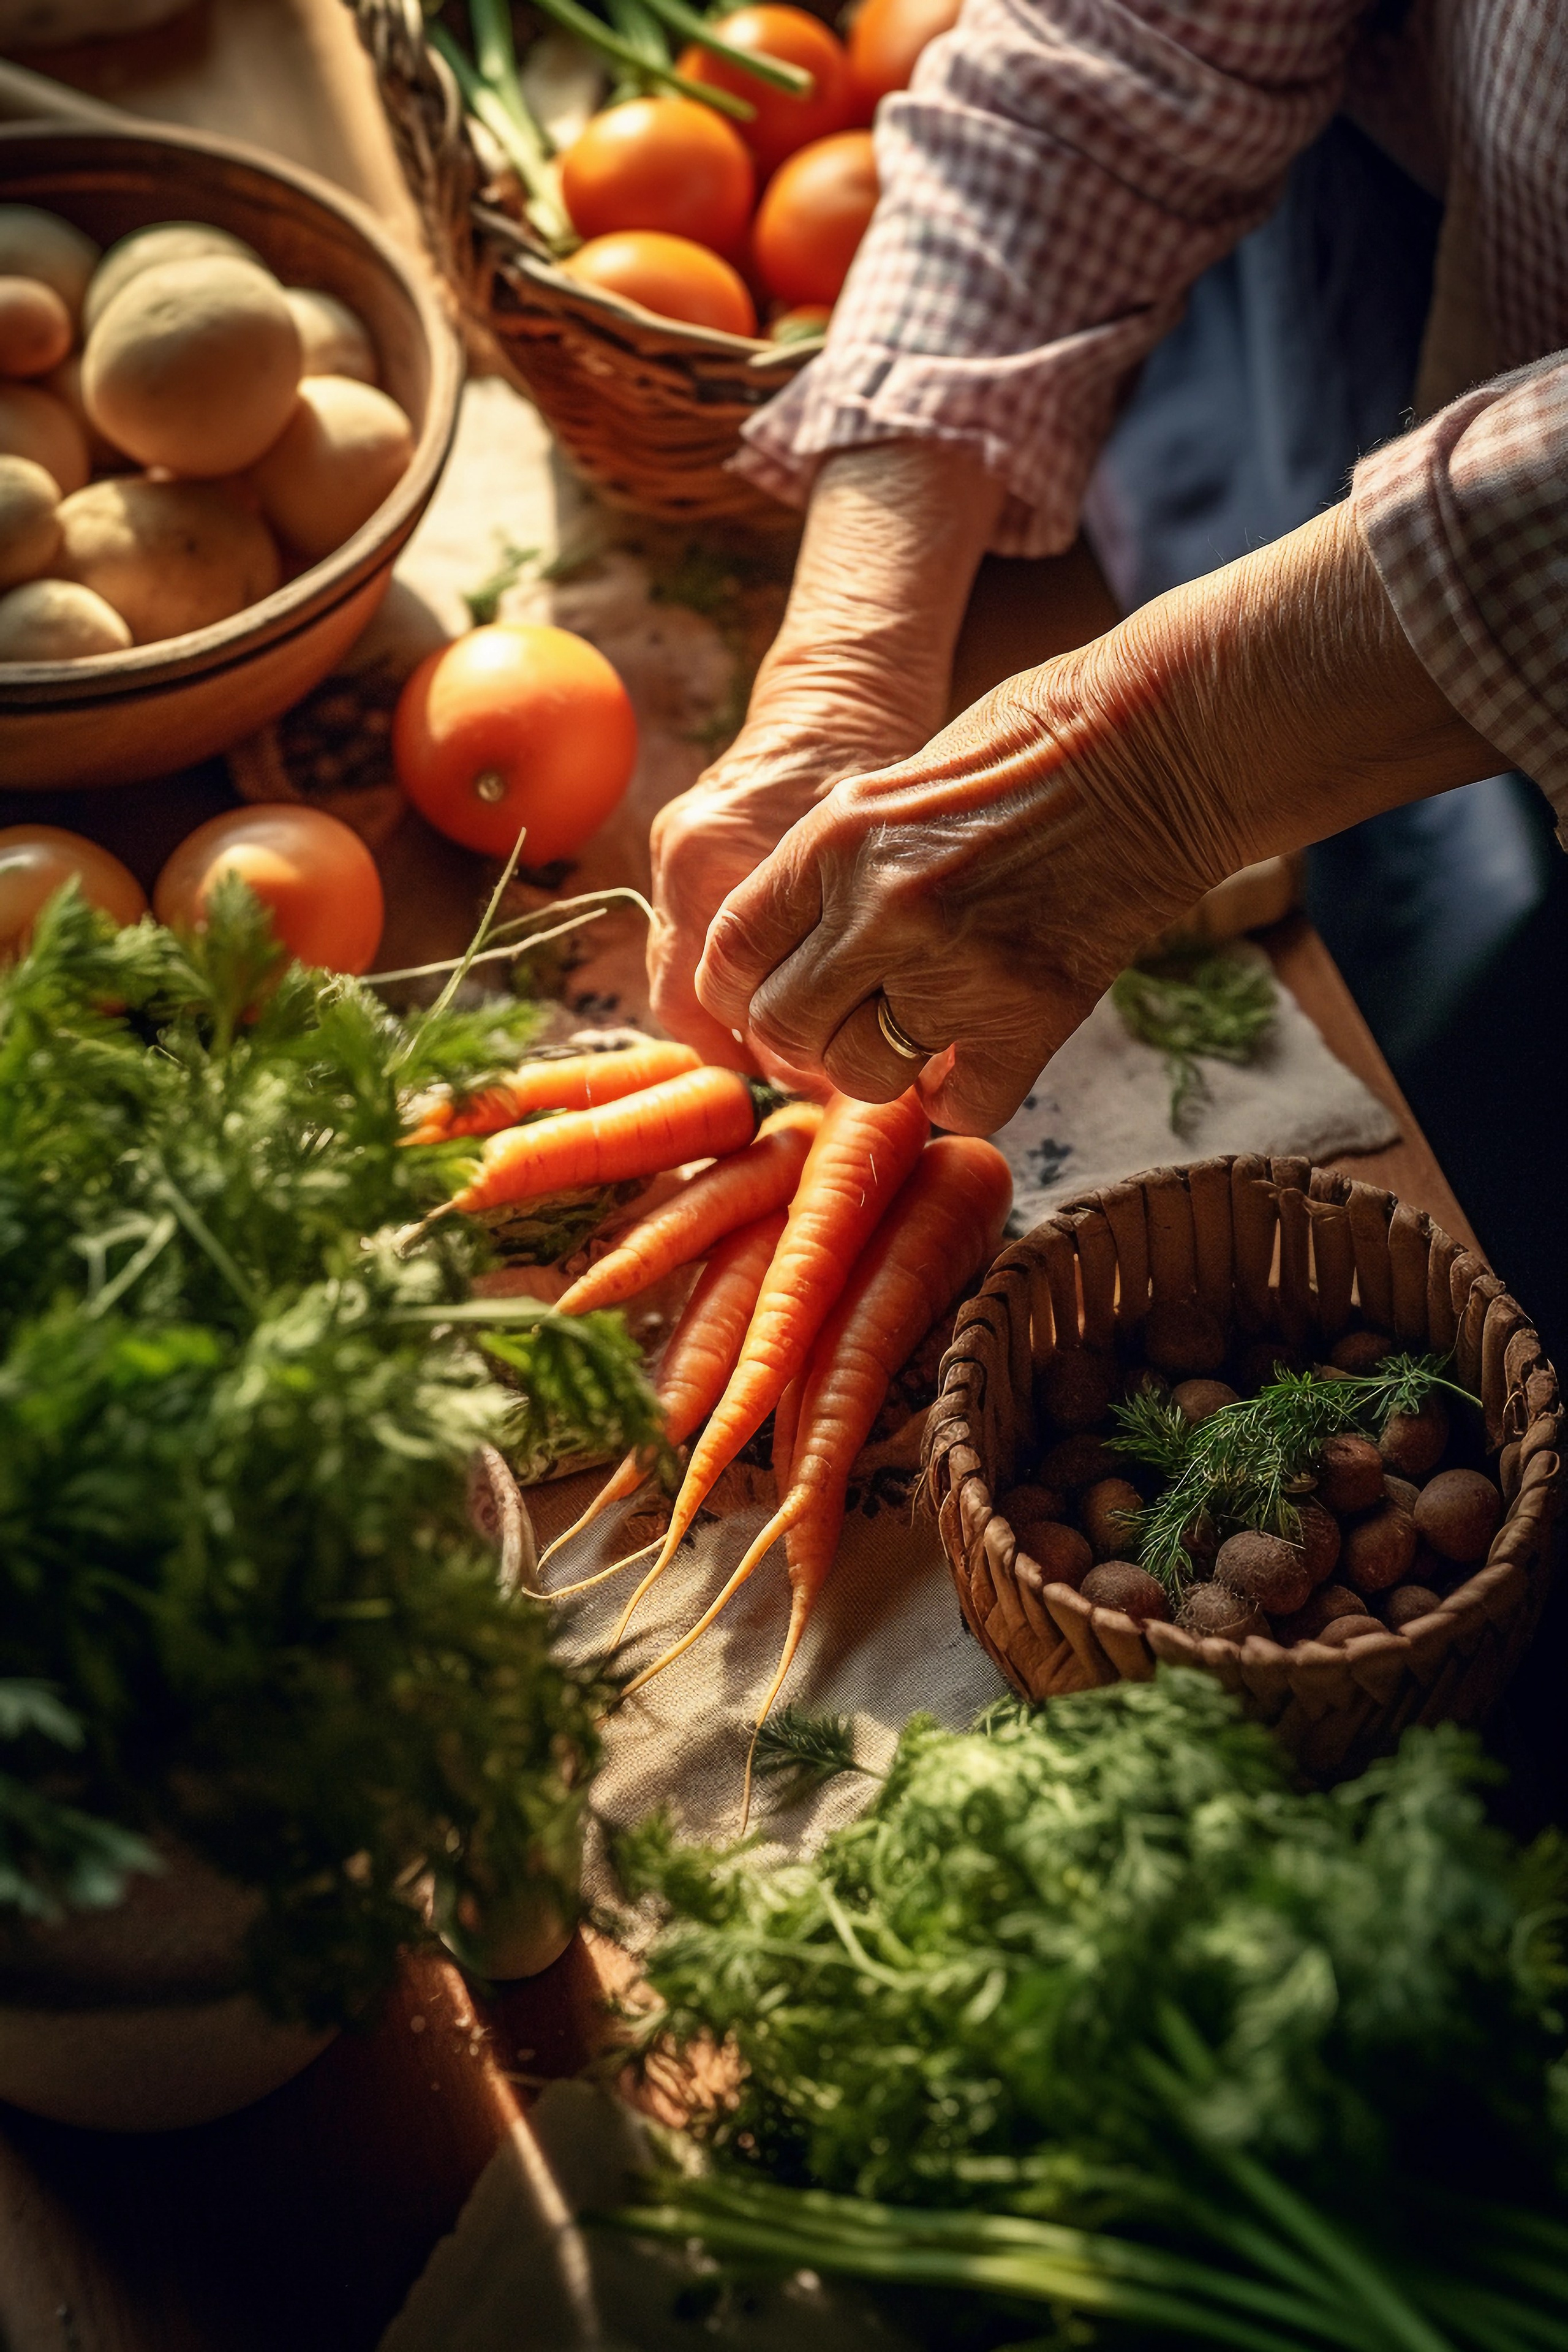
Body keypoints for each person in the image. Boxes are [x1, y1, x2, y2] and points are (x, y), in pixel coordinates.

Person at [646, 0, 1567, 1133]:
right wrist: (843, 675)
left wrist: (1151, 780)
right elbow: (1121, 43)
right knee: (1374, 900)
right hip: (1422, 261)